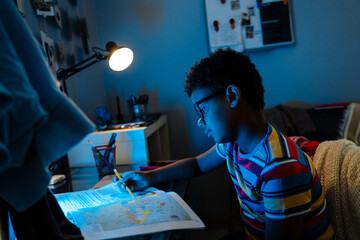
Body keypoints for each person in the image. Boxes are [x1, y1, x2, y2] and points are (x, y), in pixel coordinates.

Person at [115, 49, 335, 239]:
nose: (200, 121)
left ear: (231, 95)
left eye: (202, 109)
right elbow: (196, 165)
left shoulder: (279, 168)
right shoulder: (234, 144)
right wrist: (150, 177)